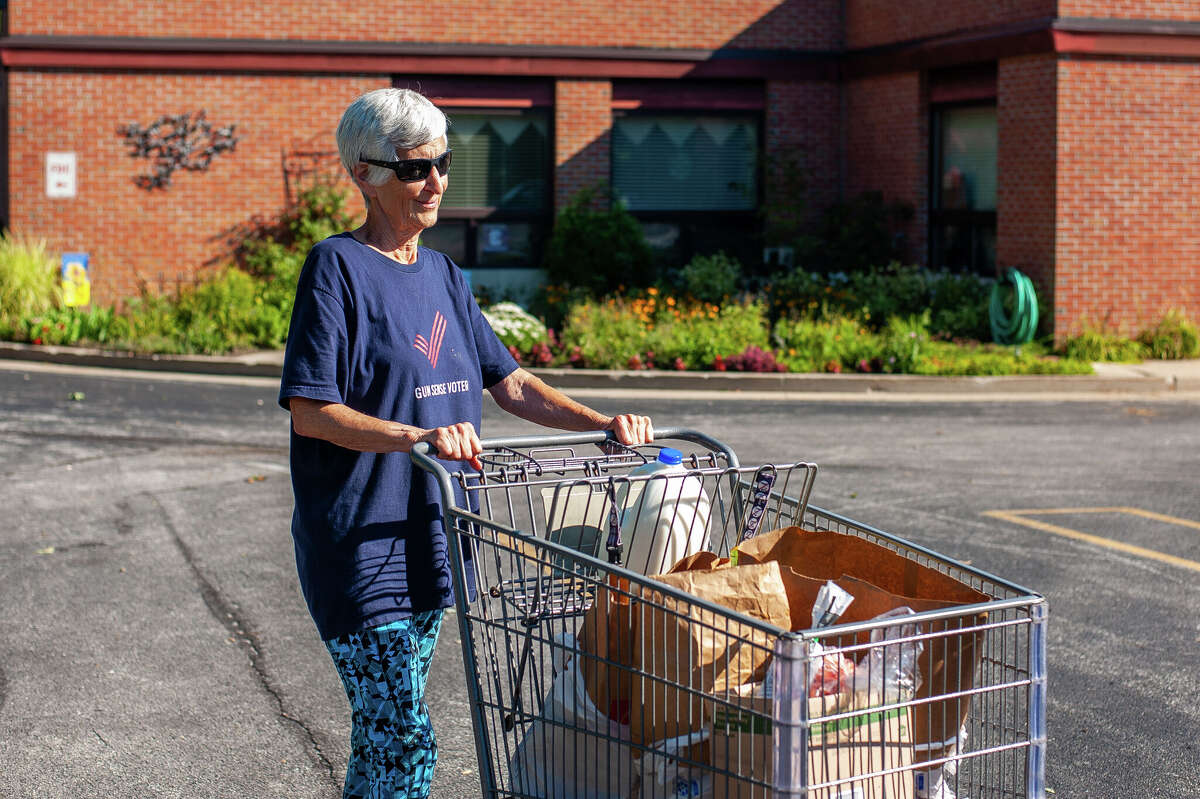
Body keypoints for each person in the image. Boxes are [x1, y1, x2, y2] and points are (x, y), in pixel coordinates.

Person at [277, 87, 653, 799]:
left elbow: (510, 384)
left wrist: (602, 422)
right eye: (416, 168)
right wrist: (418, 435)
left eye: (443, 163)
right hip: (361, 548)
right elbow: (312, 409)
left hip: (437, 538)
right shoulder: (337, 269)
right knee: (406, 738)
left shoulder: (445, 276)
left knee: (383, 732)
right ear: (364, 173)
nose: (437, 182)